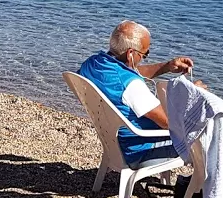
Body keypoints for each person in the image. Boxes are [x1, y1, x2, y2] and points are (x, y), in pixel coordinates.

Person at [76, 21, 196, 165]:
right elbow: (169, 123)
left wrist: (167, 67)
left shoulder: (92, 64)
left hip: (114, 144)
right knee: (202, 137)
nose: (145, 57)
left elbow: (128, 73)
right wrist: (193, 93)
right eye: (145, 54)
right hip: (139, 150)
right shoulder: (132, 86)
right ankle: (194, 185)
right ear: (130, 54)